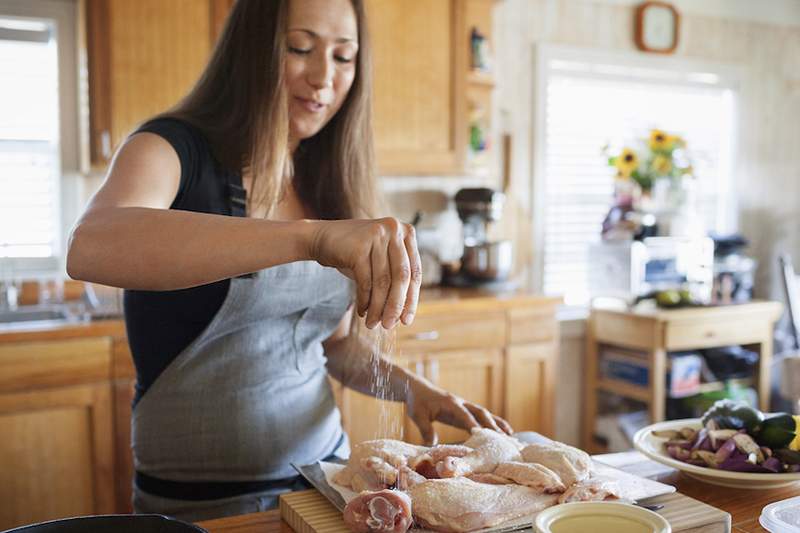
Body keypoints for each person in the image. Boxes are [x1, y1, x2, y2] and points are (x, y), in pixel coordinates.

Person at [67, 0, 512, 522]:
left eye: (344, 57)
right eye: (300, 47)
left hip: (327, 481)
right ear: (250, 51)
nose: (324, 77)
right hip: (201, 503)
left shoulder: (327, 178)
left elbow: (336, 346)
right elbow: (92, 244)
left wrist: (418, 392)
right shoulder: (170, 149)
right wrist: (309, 239)